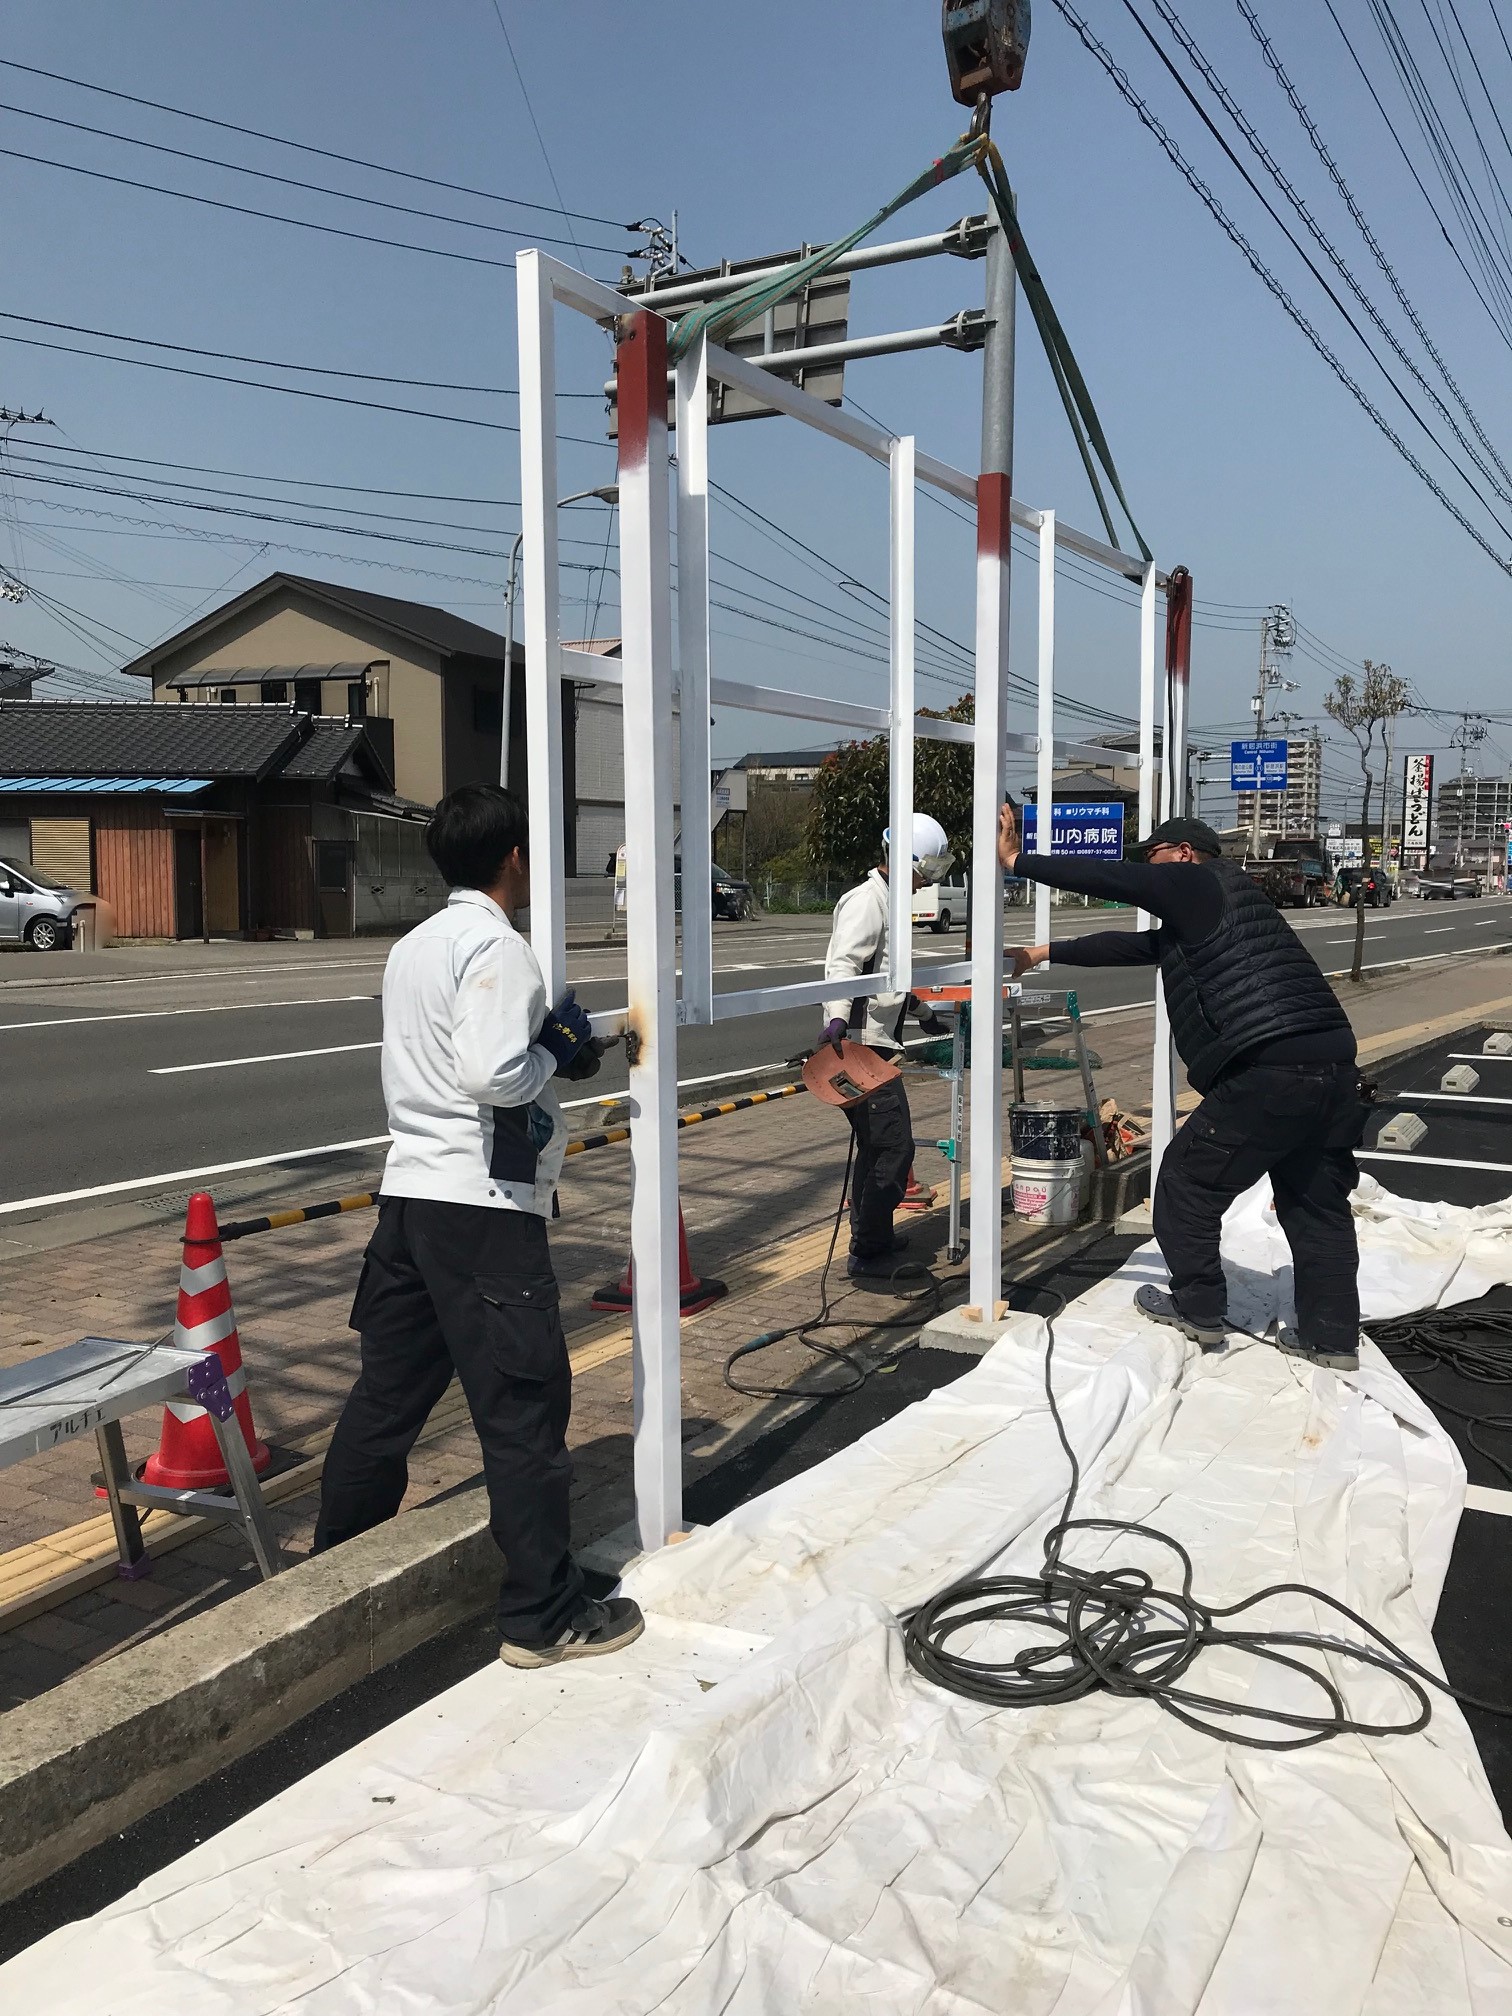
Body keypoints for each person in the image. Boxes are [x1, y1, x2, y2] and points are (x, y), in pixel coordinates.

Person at [313, 783, 644, 1667]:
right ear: (514, 860)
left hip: (410, 1199)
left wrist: (547, 1057)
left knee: (386, 1401)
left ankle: (324, 1585)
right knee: (523, 1408)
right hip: (483, 1211)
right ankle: (543, 1618)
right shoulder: (500, 948)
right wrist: (555, 1048)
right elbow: (495, 1073)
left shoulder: (413, 946)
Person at [997, 804, 1366, 1370]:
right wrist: (1042, 952)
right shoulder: (1216, 913)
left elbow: (1110, 878)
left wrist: (1017, 860)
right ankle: (1333, 1338)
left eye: (1156, 857)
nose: (1150, 866)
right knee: (1316, 1203)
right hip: (1335, 1069)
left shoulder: (1196, 882)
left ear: (1186, 856)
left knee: (1186, 1185)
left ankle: (1198, 1309)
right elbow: (1127, 947)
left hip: (1269, 1072)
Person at [820, 813, 953, 1281]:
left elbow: (887, 978)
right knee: (893, 1147)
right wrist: (837, 1016)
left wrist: (921, 1013)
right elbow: (843, 966)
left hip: (878, 1044)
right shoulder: (867, 902)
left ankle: (872, 1236)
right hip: (858, 1050)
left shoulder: (892, 902)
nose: (929, 880)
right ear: (906, 859)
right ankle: (869, 1253)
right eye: (928, 869)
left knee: (878, 1148)